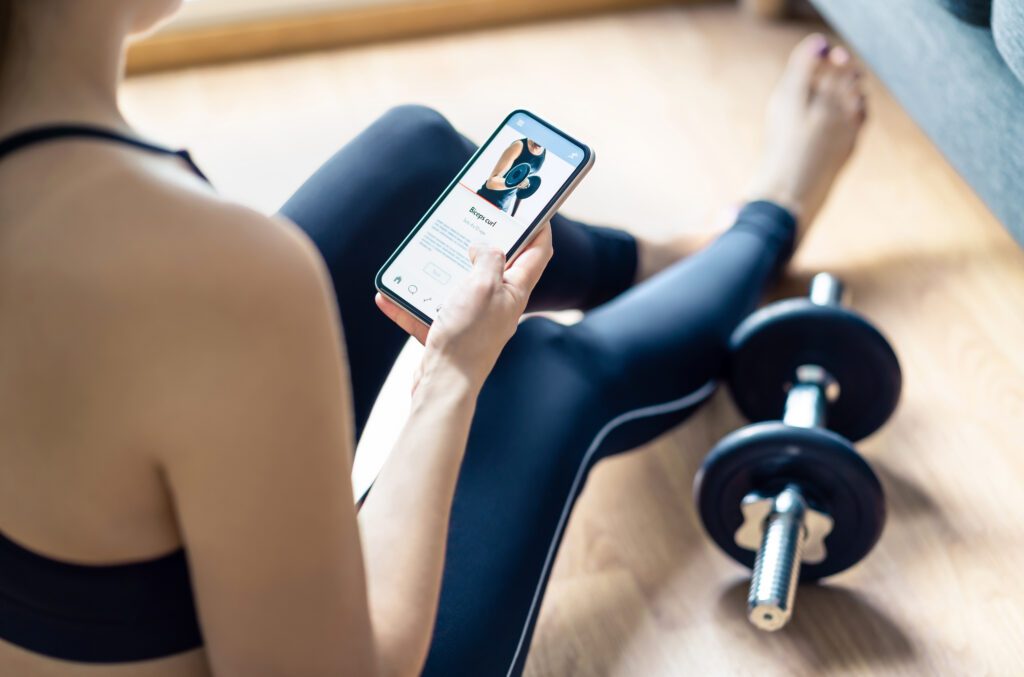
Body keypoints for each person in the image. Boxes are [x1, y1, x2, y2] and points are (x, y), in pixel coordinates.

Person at [0, 1, 866, 675]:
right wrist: (451, 374)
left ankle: (667, 259)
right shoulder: (228, 276)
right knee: (533, 373)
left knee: (415, 157)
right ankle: (770, 217)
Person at [477, 137, 546, 213]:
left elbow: (522, 189)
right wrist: (517, 183)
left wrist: (513, 214)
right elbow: (491, 182)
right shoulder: (518, 146)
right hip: (487, 199)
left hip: (504, 207)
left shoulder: (543, 152)